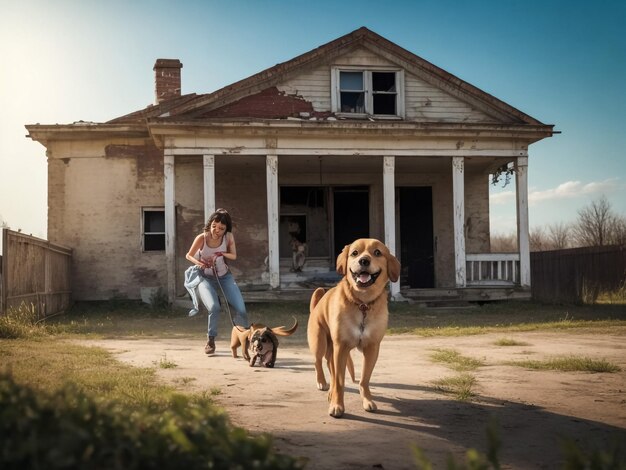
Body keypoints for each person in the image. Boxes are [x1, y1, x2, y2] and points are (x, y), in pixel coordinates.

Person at [185, 208, 249, 355]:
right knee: (214, 307)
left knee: (241, 308)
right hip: (204, 277)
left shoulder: (228, 237)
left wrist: (221, 253)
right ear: (210, 224)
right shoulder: (202, 238)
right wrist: (199, 263)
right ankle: (211, 340)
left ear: (226, 228)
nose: (217, 230)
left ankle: (246, 339)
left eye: (221, 228)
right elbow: (188, 255)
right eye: (214, 226)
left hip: (224, 276)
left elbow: (233, 256)